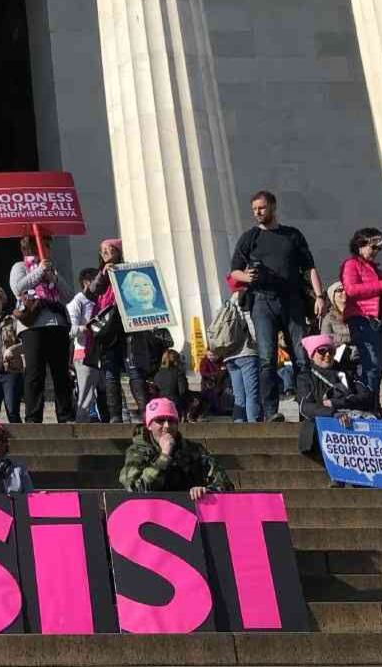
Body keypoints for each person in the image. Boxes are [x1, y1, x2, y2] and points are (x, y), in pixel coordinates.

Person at [229, 191, 324, 422]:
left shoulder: (292, 235)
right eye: (254, 209)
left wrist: (320, 296)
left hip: (292, 301)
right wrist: (247, 277)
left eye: (261, 208)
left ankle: (306, 410)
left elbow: (309, 267)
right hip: (262, 301)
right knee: (267, 359)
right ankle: (271, 412)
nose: (257, 213)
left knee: (301, 357)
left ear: (272, 206)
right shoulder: (249, 237)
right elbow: (234, 271)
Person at [86, 238, 168, 423]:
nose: (106, 253)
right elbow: (92, 292)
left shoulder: (130, 272)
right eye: (102, 251)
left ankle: (146, 413)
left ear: (118, 252)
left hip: (130, 329)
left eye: (110, 249)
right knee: (110, 373)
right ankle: (115, 416)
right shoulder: (101, 275)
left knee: (135, 370)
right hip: (109, 330)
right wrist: (103, 274)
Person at [9, 234, 73, 423]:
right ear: (32, 247)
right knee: (34, 373)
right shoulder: (20, 266)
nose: (48, 249)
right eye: (44, 245)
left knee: (61, 373)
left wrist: (53, 277)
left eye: (48, 246)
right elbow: (18, 288)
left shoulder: (51, 268)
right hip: (33, 326)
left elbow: (69, 295)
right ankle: (33, 417)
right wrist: (39, 271)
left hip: (57, 324)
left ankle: (66, 415)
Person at [340, 227, 382, 405]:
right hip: (365, 319)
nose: (377, 251)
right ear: (360, 245)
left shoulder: (377, 270)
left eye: (379, 248)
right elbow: (351, 290)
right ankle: (370, 408)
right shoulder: (351, 264)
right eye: (373, 247)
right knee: (372, 366)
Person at [118, 397, 233, 498]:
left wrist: (206, 491)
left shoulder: (193, 450)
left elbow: (225, 484)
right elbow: (134, 490)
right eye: (160, 421)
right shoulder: (137, 452)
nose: (167, 426)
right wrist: (163, 458)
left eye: (171, 421)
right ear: (149, 425)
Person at [294, 334, 375, 461]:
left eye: (331, 351)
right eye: (322, 351)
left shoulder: (346, 373)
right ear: (312, 355)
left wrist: (336, 403)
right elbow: (306, 406)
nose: (327, 355)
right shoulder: (306, 377)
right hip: (327, 425)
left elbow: (366, 396)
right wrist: (333, 413)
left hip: (355, 423)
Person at [222, 274, 261, 423]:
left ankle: (239, 425)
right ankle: (254, 427)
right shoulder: (245, 298)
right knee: (252, 394)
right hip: (247, 352)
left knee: (239, 397)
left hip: (230, 356)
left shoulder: (227, 304)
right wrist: (260, 343)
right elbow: (251, 324)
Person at [66, 268, 104, 423]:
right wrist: (86, 328)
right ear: (87, 283)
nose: (101, 284)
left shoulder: (100, 300)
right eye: (97, 280)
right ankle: (82, 426)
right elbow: (70, 329)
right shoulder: (77, 302)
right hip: (84, 353)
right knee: (86, 395)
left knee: (104, 391)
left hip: (101, 353)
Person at [0, 283, 24, 423]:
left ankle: (18, 437)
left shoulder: (12, 320)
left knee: (12, 410)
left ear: (1, 299)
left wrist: (13, 349)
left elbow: (26, 343)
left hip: (10, 371)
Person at [150, 348, 192, 419]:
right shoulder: (178, 373)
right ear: (176, 360)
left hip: (161, 404)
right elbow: (183, 391)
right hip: (175, 404)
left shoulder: (158, 373)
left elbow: (155, 390)